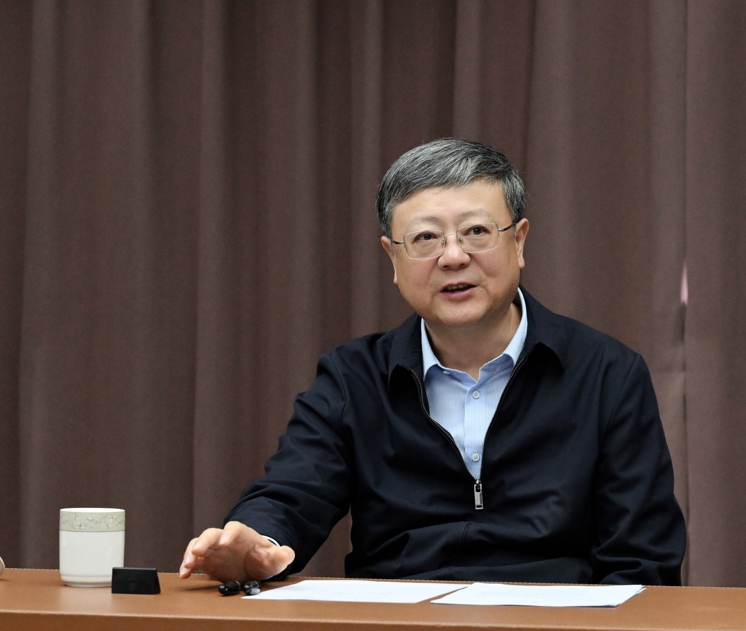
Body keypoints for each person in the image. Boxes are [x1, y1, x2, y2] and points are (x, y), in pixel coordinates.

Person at [180, 138, 686, 585]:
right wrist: (257, 542)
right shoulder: (353, 378)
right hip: (397, 627)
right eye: (425, 238)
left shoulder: (605, 373)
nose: (453, 257)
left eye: (476, 231)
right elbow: (292, 494)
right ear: (393, 258)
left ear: (519, 241)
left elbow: (642, 561)